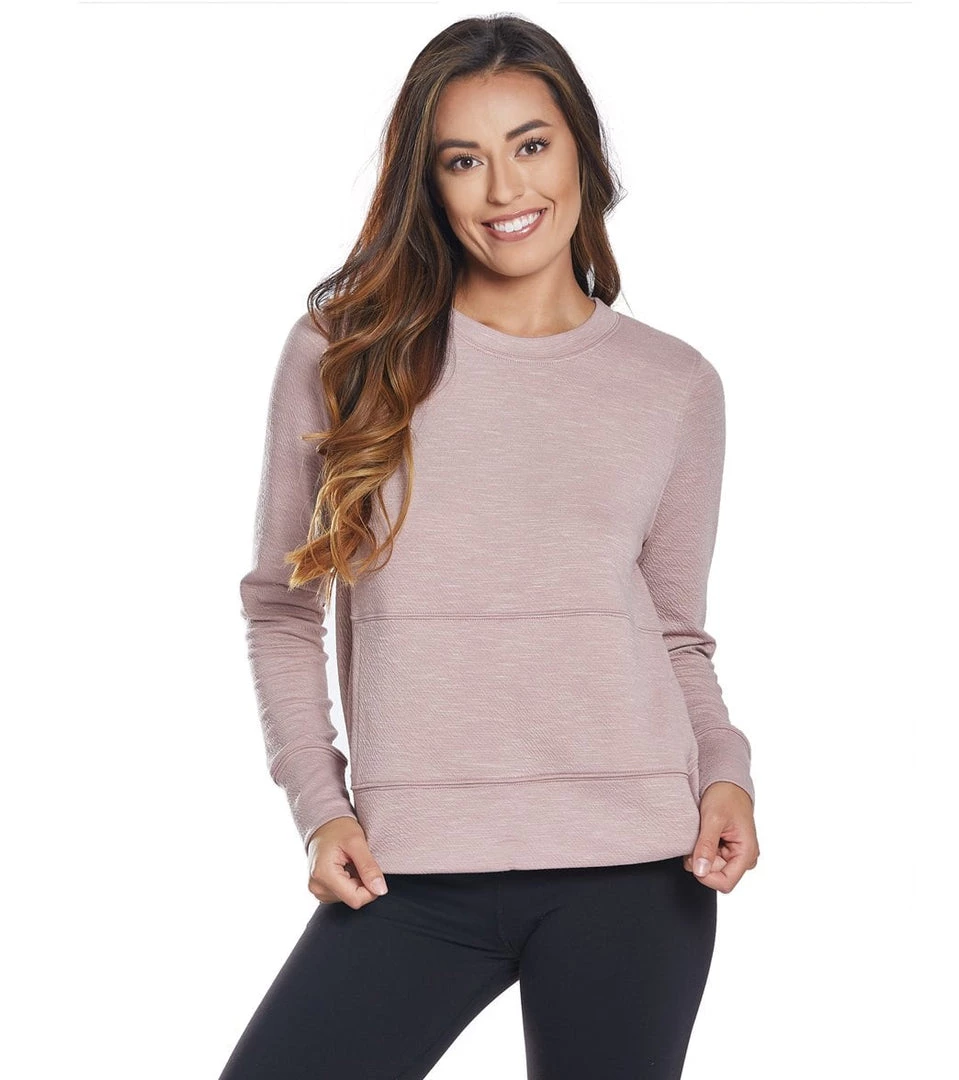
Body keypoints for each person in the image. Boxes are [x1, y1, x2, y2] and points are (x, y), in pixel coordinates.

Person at [218, 14, 760, 1080]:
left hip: (637, 867)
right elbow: (279, 607)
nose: (505, 188)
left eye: (530, 144)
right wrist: (319, 808)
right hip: (409, 872)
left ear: (580, 151)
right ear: (427, 183)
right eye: (461, 160)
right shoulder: (345, 353)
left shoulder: (672, 386)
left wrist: (727, 775)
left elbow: (673, 632)